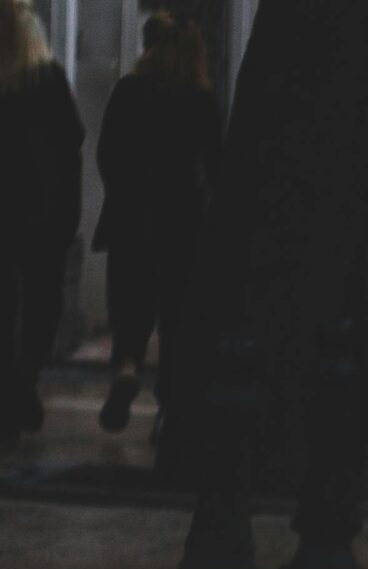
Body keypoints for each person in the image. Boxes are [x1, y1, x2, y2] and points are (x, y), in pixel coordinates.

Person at [91, 11, 222, 433]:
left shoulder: (128, 90)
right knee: (176, 316)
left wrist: (119, 190)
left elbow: (106, 150)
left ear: (147, 47)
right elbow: (217, 163)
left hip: (131, 215)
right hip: (182, 218)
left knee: (129, 303)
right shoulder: (200, 97)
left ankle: (127, 367)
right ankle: (168, 406)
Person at [0, 0, 84, 446]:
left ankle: (10, 392)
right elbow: (72, 145)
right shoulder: (48, 81)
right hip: (42, 214)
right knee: (41, 305)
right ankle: (22, 379)